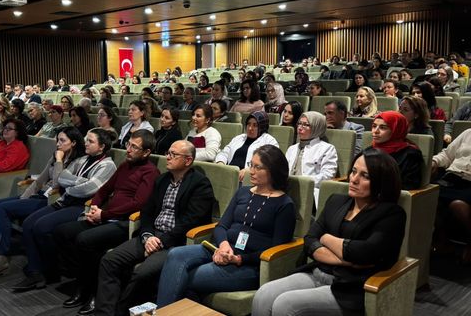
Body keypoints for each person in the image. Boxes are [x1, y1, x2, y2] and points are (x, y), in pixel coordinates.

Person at [252, 148, 406, 316]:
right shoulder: (337, 201)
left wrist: (324, 238)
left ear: (381, 182)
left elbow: (364, 253)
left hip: (350, 288)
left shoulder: (392, 214)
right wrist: (345, 258)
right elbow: (310, 239)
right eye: (354, 172)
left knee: (285, 305)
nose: (354, 179)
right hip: (316, 273)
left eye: (365, 176)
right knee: (263, 295)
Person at [158, 144, 295, 307]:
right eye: (251, 165)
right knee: (175, 254)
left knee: (188, 276)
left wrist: (238, 259)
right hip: (222, 249)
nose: (251, 171)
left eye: (258, 167)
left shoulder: (284, 205)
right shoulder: (243, 192)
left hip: (249, 264)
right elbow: (221, 226)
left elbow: (276, 249)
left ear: (273, 170)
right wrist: (223, 246)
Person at [94, 140, 215, 316]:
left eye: (173, 154)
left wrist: (160, 242)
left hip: (174, 243)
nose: (167, 157)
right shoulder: (162, 179)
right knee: (109, 260)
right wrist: (148, 236)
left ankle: (121, 312)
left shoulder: (200, 184)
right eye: (168, 152)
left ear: (188, 161)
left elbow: (190, 222)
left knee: (142, 273)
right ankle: (104, 313)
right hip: (150, 236)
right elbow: (147, 212)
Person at [53, 130, 161, 314]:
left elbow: (138, 204)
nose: (128, 149)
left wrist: (103, 214)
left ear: (146, 152)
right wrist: (94, 206)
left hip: (125, 223)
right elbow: (104, 190)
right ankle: (84, 282)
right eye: (128, 144)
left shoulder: (150, 172)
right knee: (62, 232)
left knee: (84, 240)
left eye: (134, 147)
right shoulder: (124, 166)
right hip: (104, 215)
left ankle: (93, 292)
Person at [0, 127, 85, 279]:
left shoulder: (78, 162)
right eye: (57, 140)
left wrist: (59, 160)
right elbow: (40, 180)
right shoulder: (55, 156)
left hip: (52, 199)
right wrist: (24, 197)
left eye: (62, 140)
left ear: (73, 143)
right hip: (39, 195)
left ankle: (2, 257)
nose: (58, 143)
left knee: (3, 209)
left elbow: (58, 183)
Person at [13, 128, 117, 290]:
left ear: (102, 146)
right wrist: (79, 181)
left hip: (81, 206)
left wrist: (71, 185)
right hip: (65, 201)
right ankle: (36, 271)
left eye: (90, 141)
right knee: (28, 223)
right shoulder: (82, 159)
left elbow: (89, 190)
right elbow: (61, 177)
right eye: (86, 139)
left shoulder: (108, 165)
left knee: (41, 227)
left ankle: (49, 270)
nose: (86, 143)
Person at [432, 128, 471, 262]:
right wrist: (435, 161)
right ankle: (442, 239)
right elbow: (447, 155)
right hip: (452, 177)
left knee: (458, 205)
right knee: (429, 198)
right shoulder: (468, 133)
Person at [285, 111, 338, 206]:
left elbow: (327, 175)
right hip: (287, 190)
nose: (300, 128)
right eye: (299, 124)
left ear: (317, 127)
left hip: (310, 193)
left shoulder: (327, 148)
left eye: (306, 125)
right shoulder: (291, 148)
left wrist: (303, 182)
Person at [215, 111, 278, 182]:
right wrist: (221, 162)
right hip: (229, 175)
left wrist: (250, 170)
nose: (250, 128)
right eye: (248, 124)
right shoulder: (239, 138)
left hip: (249, 180)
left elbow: (271, 162)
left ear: (262, 126)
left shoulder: (269, 141)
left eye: (255, 125)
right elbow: (224, 152)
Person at [369, 111, 423, 190]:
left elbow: (410, 185)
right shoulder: (370, 150)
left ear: (396, 129)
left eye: (383, 127)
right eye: (374, 126)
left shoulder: (410, 154)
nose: (375, 131)